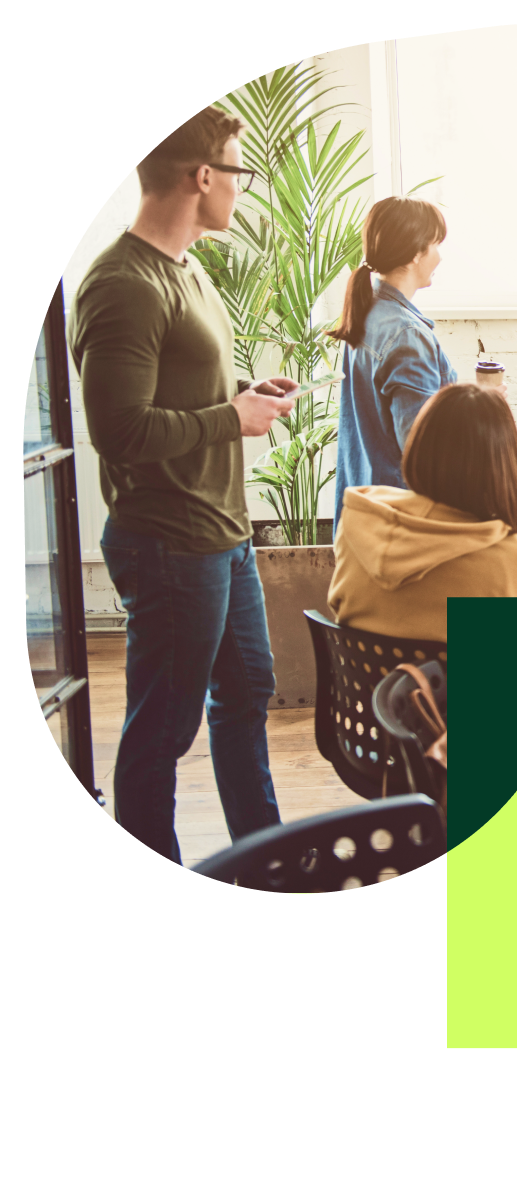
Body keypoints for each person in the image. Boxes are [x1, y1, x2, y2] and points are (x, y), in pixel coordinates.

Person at [68, 106, 299, 865]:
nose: (242, 188)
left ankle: (263, 859)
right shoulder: (122, 284)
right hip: (169, 545)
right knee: (162, 731)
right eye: (239, 171)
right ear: (203, 177)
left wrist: (243, 391)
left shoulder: (188, 267)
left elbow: (185, 384)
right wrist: (231, 419)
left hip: (222, 537)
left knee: (246, 696)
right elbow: (121, 431)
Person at [327, 384, 517, 642]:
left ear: (420, 444)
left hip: (367, 683)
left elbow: (338, 608)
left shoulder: (356, 525)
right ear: (503, 461)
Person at [329, 196, 465, 532]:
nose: (440, 256)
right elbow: (422, 452)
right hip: (400, 521)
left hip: (364, 511)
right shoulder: (405, 334)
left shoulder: (368, 311)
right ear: (417, 253)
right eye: (435, 244)